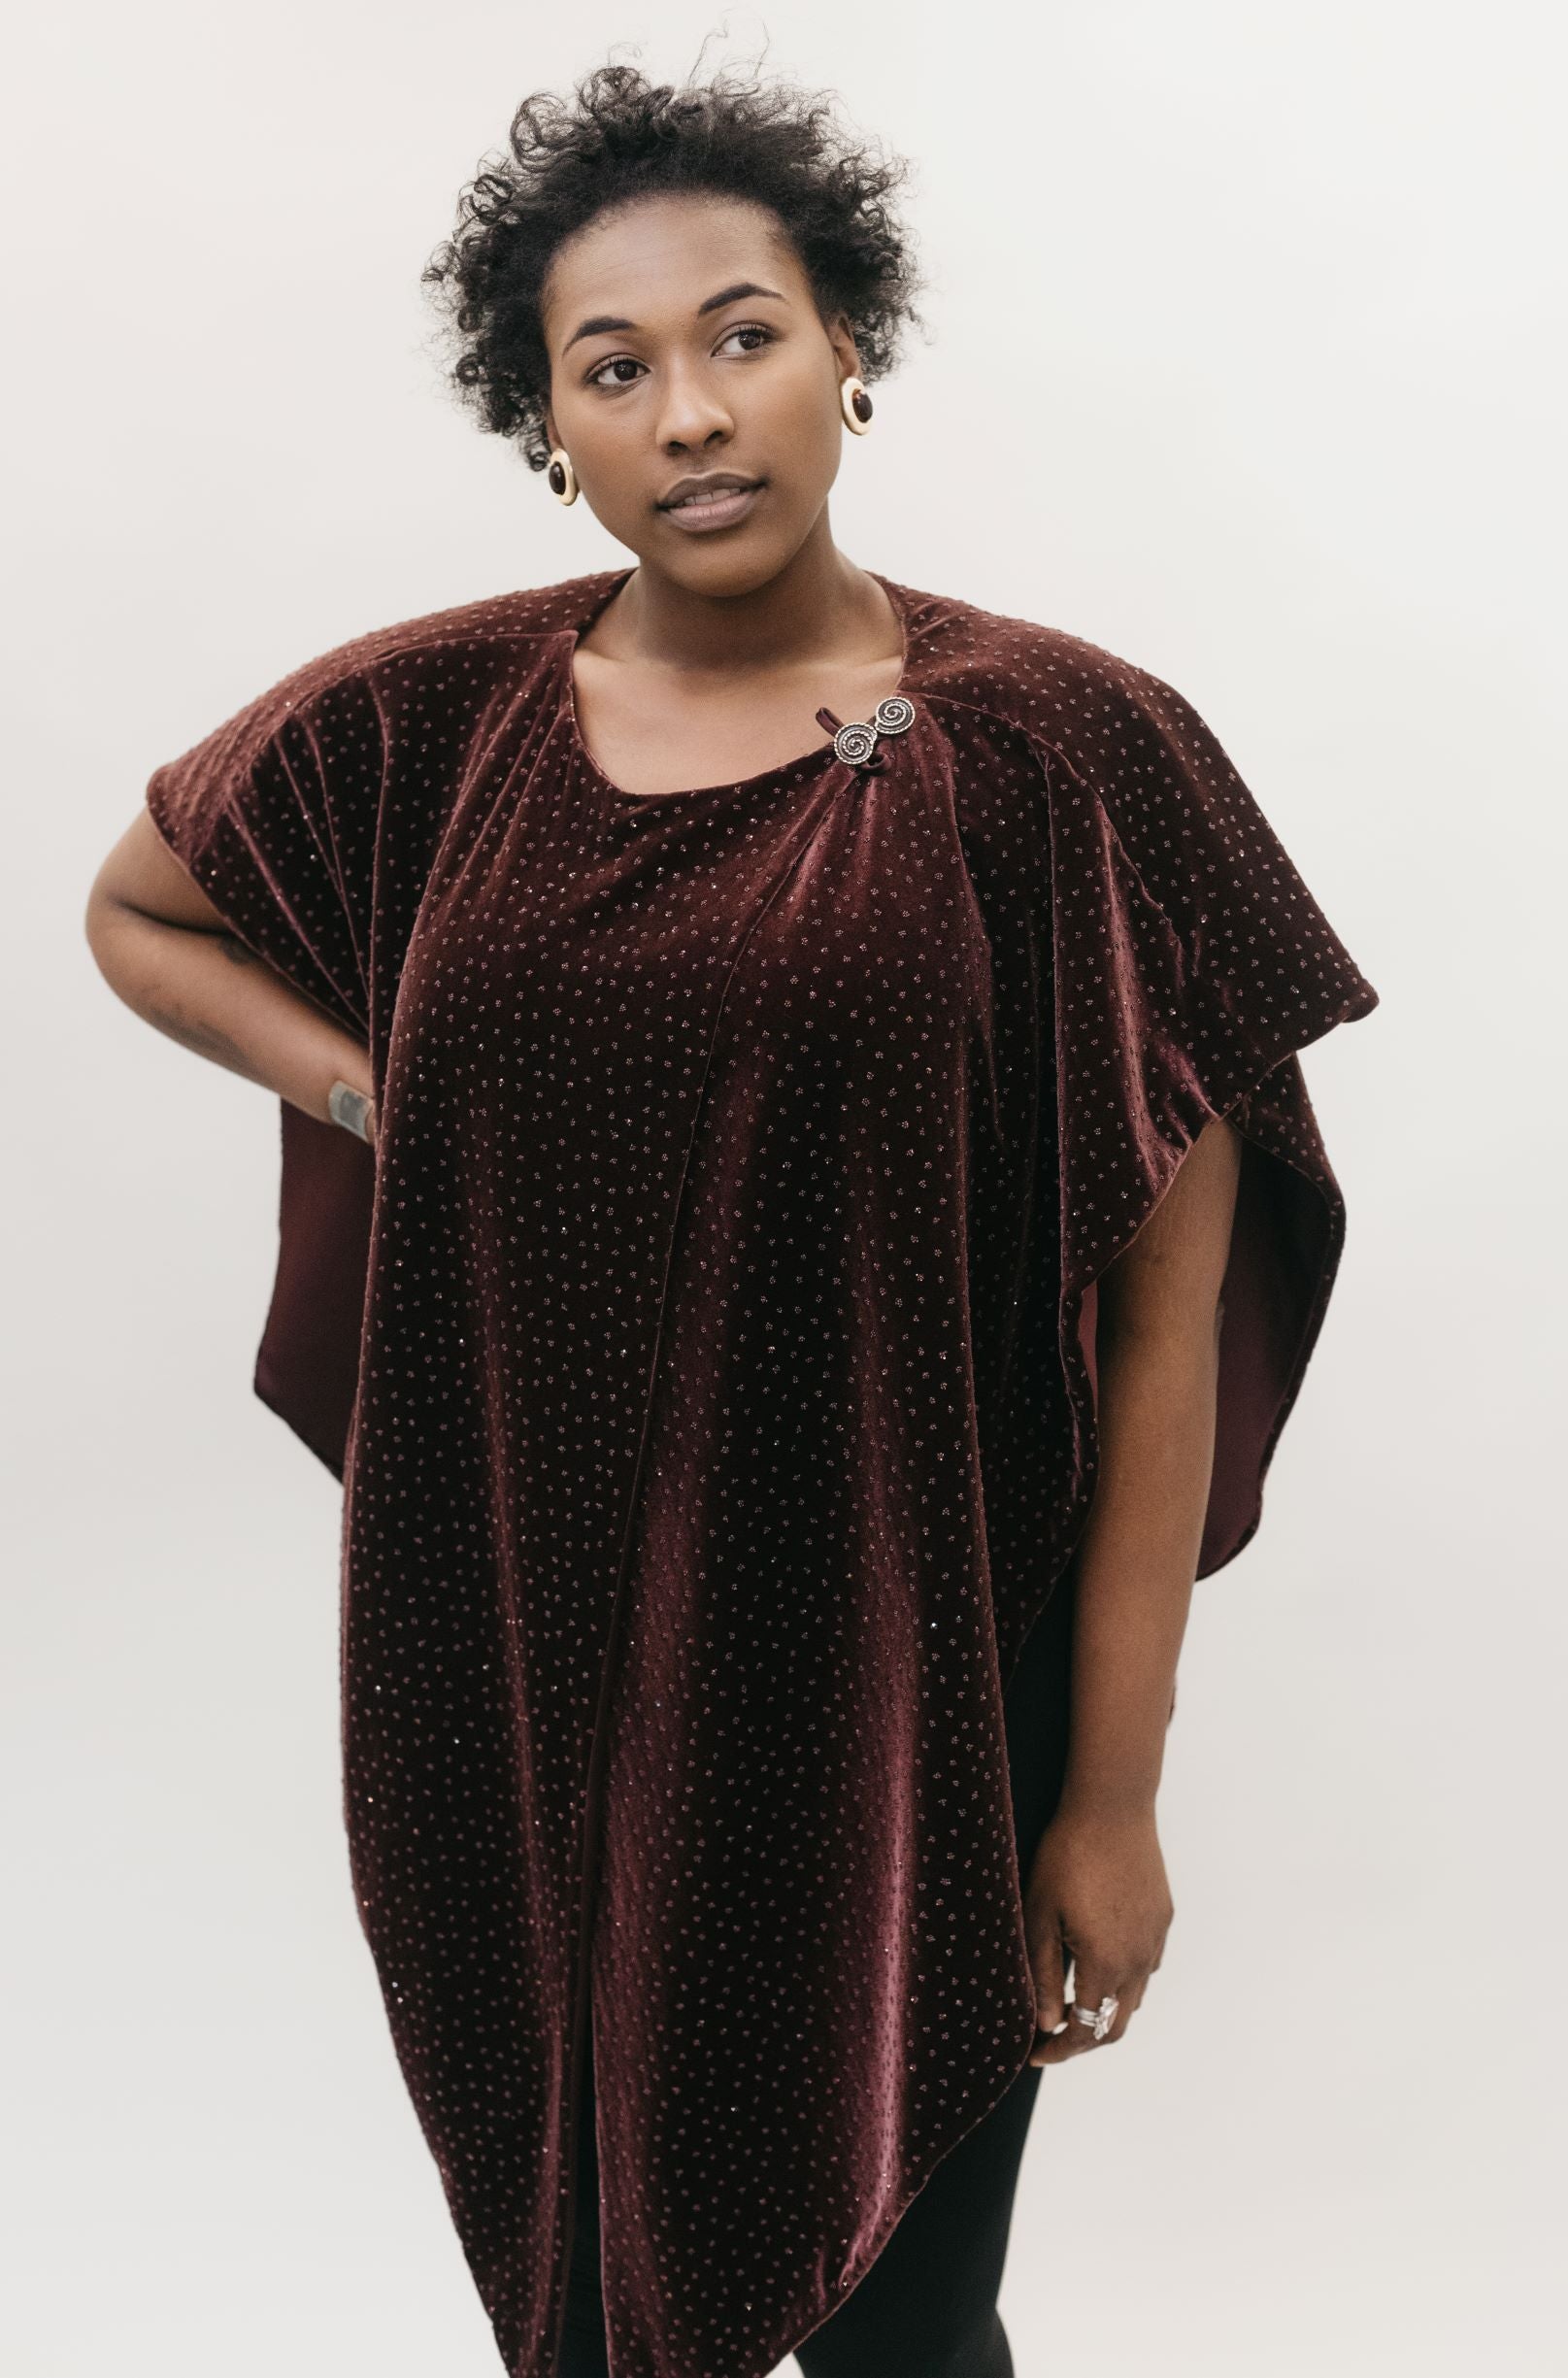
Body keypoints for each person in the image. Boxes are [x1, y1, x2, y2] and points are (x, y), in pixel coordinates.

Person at [83, 57, 1380, 2378]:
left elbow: (1167, 1316)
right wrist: (381, 1087)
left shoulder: (1070, 754)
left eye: (745, 333)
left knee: (906, 2338)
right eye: (616, 368)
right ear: (546, 426)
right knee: (580, 2320)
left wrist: (1110, 1797)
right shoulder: (436, 724)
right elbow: (141, 905)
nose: (692, 410)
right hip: (518, 1683)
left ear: (851, 347)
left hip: (915, 1717)